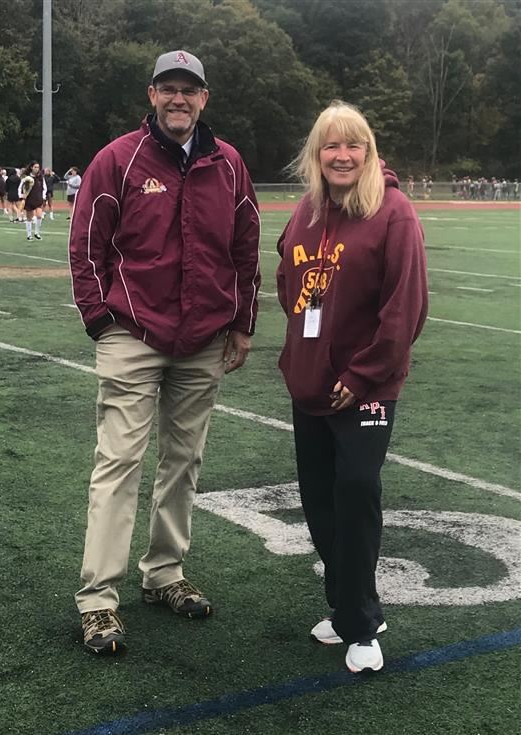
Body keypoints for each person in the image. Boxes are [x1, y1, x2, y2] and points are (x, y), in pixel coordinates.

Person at [69, 49, 260, 656]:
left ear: (206, 98)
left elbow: (247, 250)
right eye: (169, 88)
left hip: (202, 338)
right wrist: (100, 319)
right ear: (151, 94)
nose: (180, 99)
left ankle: (164, 572)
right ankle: (99, 599)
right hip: (132, 333)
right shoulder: (117, 160)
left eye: (190, 90)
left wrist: (242, 323)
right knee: (118, 464)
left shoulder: (228, 165)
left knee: (185, 461)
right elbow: (86, 246)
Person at [276, 100, 428, 674]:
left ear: (368, 152)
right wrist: (304, 355)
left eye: (353, 144)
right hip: (311, 385)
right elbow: (290, 282)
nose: (342, 155)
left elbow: (405, 310)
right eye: (330, 146)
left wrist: (360, 374)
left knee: (357, 492)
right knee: (318, 502)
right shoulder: (306, 213)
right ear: (316, 155)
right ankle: (347, 605)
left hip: (365, 388)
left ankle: (362, 626)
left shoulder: (394, 212)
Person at [19, 161, 46, 240]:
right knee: (29, 217)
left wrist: (43, 197)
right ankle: (29, 235)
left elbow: (44, 187)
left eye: (38, 167)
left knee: (39, 215)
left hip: (38, 199)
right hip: (29, 199)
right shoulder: (27, 178)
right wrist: (22, 196)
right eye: (35, 167)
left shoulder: (40, 177)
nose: (37, 169)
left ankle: (37, 233)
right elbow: (21, 187)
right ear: (31, 168)